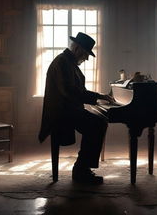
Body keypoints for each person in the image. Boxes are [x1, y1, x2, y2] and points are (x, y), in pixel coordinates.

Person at [39, 32, 113, 185]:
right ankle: (81, 170)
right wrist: (99, 97)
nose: (86, 58)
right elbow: (70, 91)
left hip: (67, 110)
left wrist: (99, 97)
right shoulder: (63, 63)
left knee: (98, 122)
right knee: (97, 124)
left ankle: (82, 168)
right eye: (86, 54)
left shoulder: (67, 62)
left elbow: (76, 91)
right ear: (78, 49)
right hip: (61, 113)